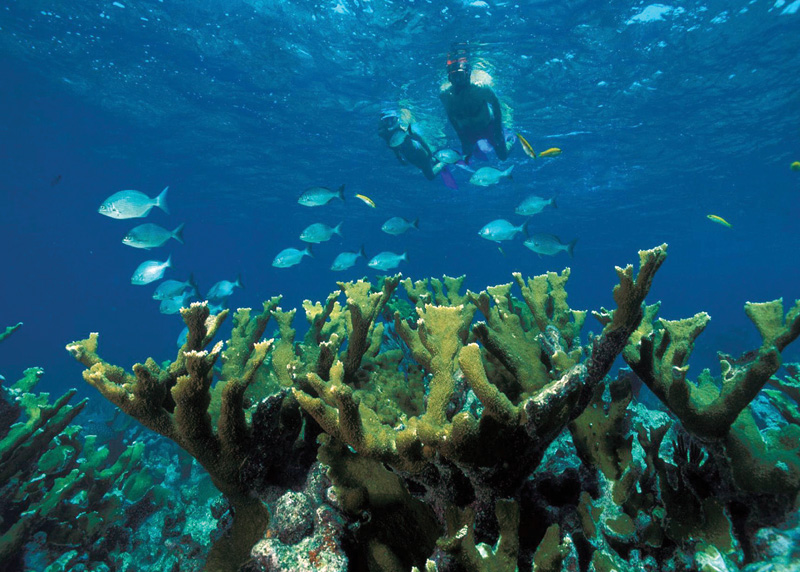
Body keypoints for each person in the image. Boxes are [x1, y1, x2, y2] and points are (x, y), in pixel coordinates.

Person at [439, 54, 509, 161]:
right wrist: (461, 137)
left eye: (461, 76)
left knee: (503, 156)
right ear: (449, 78)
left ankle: (510, 140)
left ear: (468, 74)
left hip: (488, 125)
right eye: (454, 76)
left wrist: (498, 128)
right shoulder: (446, 95)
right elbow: (451, 116)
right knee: (467, 157)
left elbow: (495, 104)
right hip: (467, 131)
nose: (458, 81)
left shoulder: (480, 88)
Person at [378, 109, 444, 181]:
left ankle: (443, 162)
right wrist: (399, 158)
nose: (389, 123)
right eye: (386, 120)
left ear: (396, 119)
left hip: (420, 154)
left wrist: (429, 153)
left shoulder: (404, 130)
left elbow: (420, 140)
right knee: (423, 168)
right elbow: (394, 147)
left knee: (430, 176)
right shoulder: (387, 135)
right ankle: (435, 161)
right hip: (410, 157)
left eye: (392, 119)